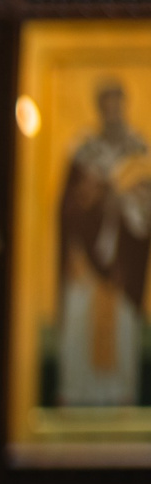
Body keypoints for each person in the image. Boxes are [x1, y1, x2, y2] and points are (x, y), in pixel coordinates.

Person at [57, 78, 151, 407]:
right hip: (85, 258)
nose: (112, 110)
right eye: (106, 104)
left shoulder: (138, 150)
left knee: (122, 324)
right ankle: (78, 398)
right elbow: (67, 207)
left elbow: (146, 211)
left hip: (124, 259)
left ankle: (120, 400)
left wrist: (130, 201)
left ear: (124, 106)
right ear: (99, 108)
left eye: (117, 103)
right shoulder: (84, 152)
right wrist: (92, 197)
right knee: (82, 321)